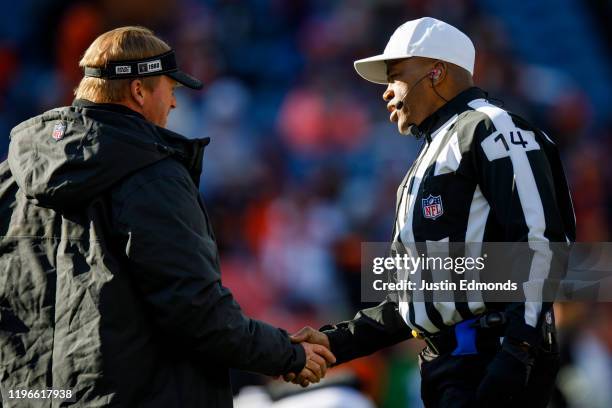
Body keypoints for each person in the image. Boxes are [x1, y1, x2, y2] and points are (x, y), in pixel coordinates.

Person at [0, 26, 334, 407]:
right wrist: (288, 355)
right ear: (139, 90)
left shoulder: (10, 175)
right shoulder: (151, 174)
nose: (174, 104)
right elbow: (195, 311)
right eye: (170, 90)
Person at [285, 17, 576, 407]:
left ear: (436, 72)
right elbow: (413, 296)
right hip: (446, 367)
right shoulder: (428, 156)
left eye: (396, 76)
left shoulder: (491, 128)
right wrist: (335, 342)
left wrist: (518, 351)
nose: (387, 93)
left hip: (491, 358)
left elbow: (542, 243)